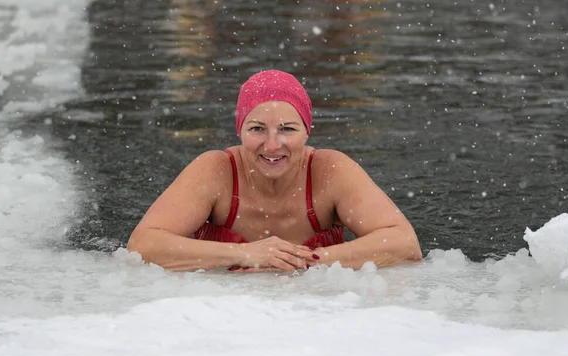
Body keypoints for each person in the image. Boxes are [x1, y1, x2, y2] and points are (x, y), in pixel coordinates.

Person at [127, 70, 422, 272]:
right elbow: (143, 245)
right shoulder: (216, 170)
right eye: (257, 129)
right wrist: (244, 254)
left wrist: (307, 261)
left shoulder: (330, 170)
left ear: (306, 132)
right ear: (239, 131)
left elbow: (404, 244)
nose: (271, 145)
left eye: (287, 129)